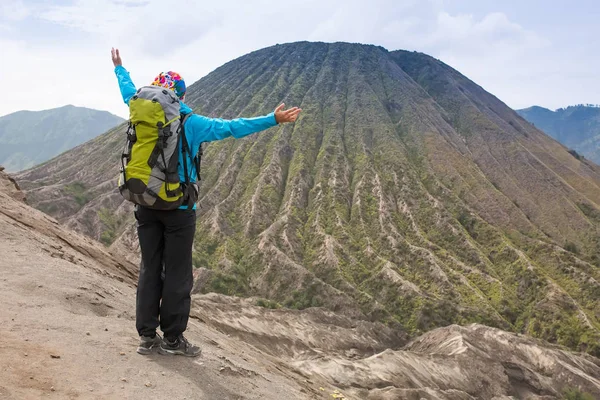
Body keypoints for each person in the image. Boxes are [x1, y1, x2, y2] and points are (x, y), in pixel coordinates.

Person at [110, 48, 301, 357]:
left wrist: (120, 67)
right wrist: (272, 119)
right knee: (177, 273)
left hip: (144, 202)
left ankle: (147, 336)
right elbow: (231, 127)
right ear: (180, 96)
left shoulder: (138, 107)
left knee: (149, 268)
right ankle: (173, 340)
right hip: (179, 209)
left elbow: (126, 90)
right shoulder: (192, 123)